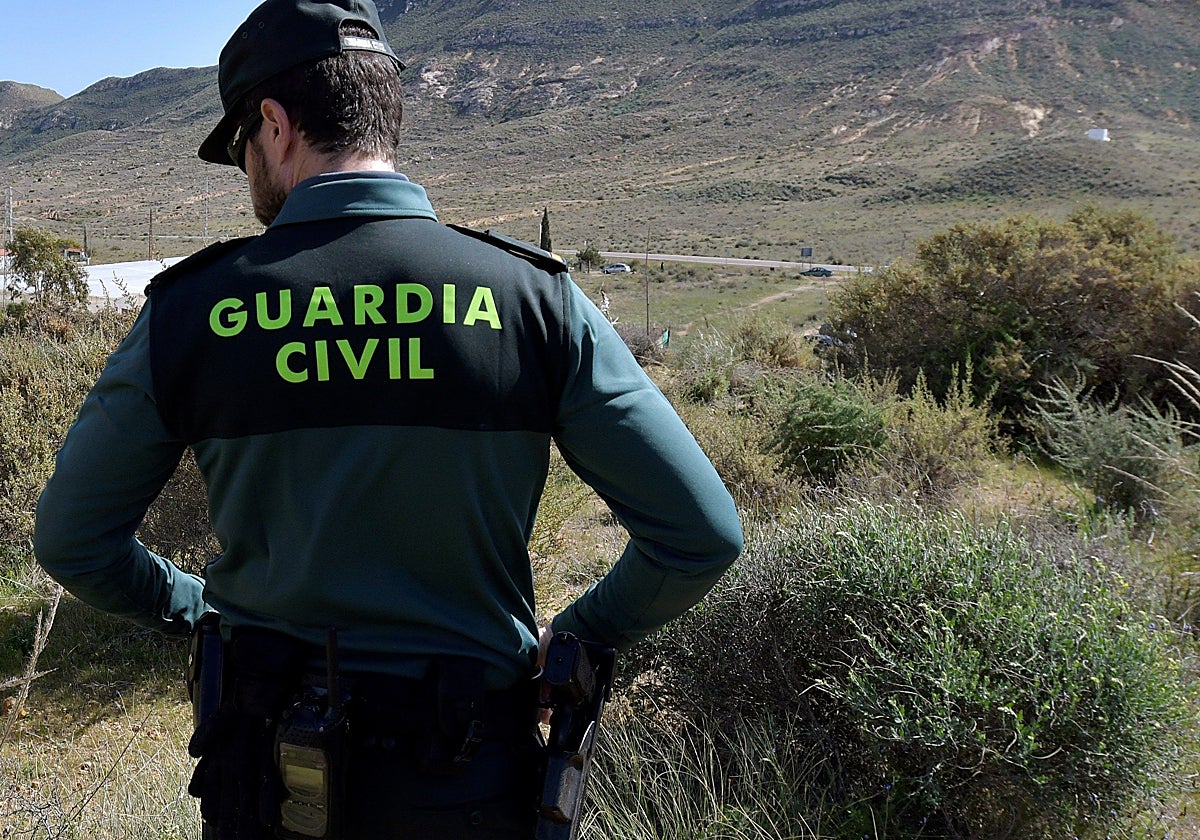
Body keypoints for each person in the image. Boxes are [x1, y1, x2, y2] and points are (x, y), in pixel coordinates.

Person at [33, 0, 743, 837]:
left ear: (275, 126)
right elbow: (699, 534)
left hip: (265, 785)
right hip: (469, 784)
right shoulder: (532, 298)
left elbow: (74, 540)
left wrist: (197, 611)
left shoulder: (190, 311)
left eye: (242, 147)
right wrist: (577, 635)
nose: (247, 172)